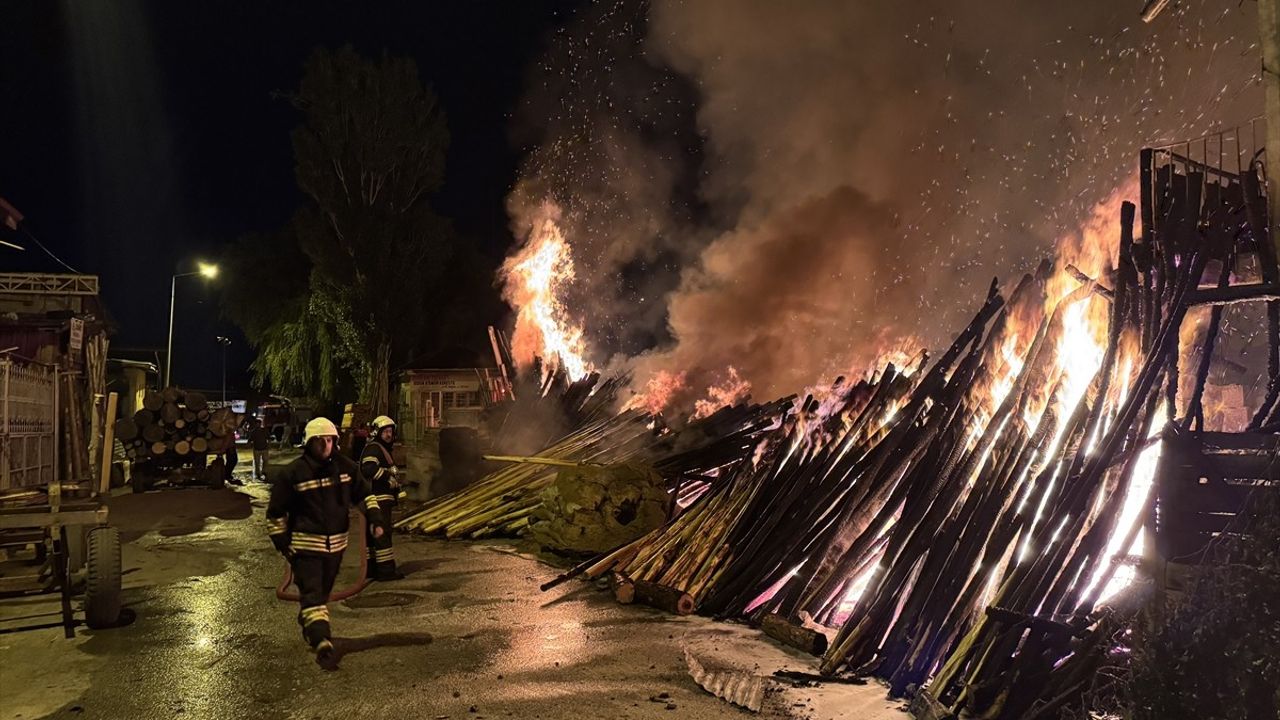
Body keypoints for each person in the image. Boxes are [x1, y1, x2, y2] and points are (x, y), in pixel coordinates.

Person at [267, 417, 387, 664]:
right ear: (309, 443)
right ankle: (322, 640)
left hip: (337, 546)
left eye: (330, 440)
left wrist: (375, 519)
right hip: (305, 547)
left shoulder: (346, 468)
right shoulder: (293, 474)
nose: (326, 446)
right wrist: (281, 541)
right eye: (320, 441)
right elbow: (276, 512)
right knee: (313, 594)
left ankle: (310, 620)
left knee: (321, 594)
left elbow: (365, 495)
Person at [360, 415, 406, 581]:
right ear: (376, 432)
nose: (388, 435)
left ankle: (372, 569)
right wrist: (387, 475)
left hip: (378, 499)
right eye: (385, 431)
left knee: (374, 534)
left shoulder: (382, 449)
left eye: (390, 431)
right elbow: (368, 469)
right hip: (378, 499)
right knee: (382, 534)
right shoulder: (375, 448)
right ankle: (386, 571)